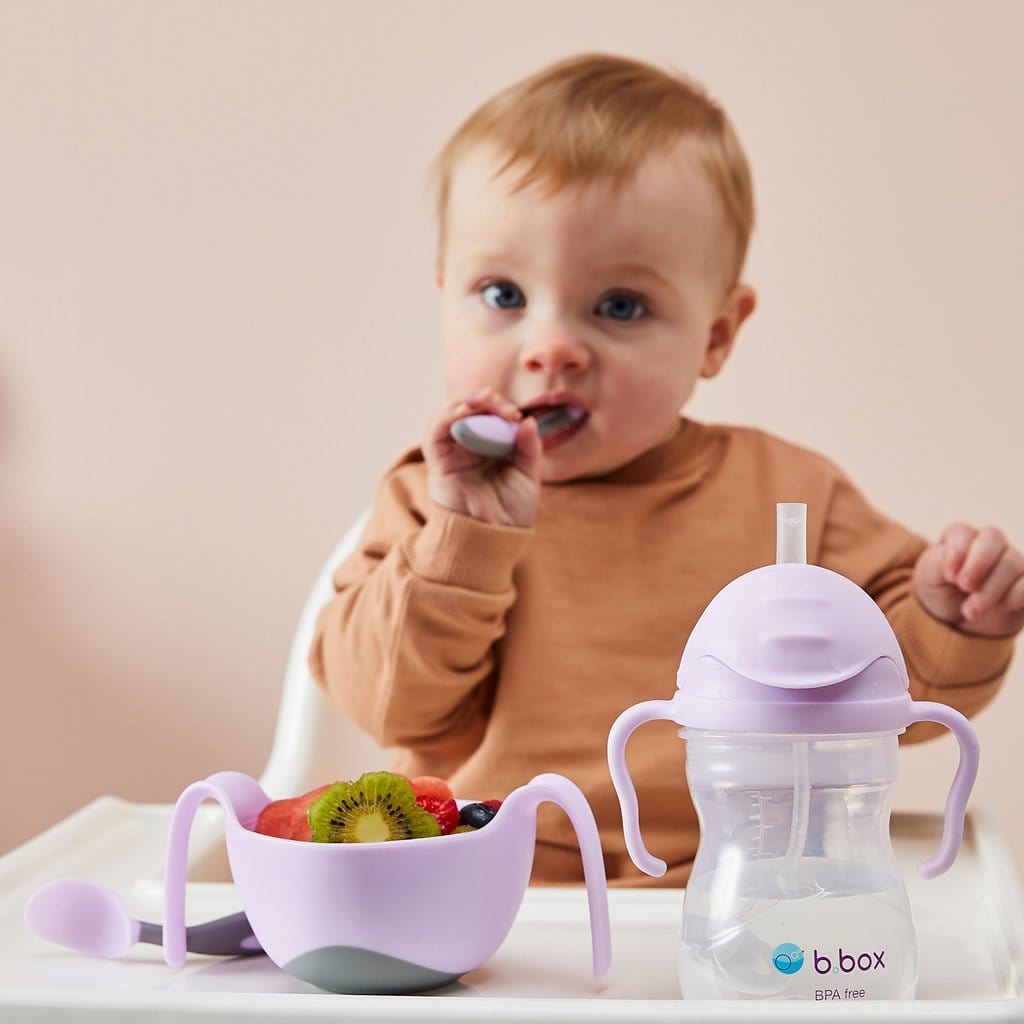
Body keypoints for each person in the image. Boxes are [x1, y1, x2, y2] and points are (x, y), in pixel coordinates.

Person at [309, 53, 1022, 886]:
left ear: (717, 334)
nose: (551, 348)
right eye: (503, 295)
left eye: (619, 306)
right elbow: (383, 704)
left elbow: (902, 705)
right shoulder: (428, 505)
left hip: (740, 895)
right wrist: (463, 541)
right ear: (445, 296)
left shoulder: (790, 495)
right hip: (495, 896)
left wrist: (951, 618)